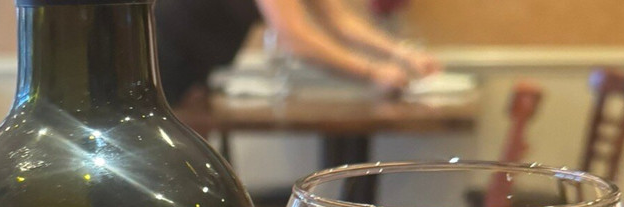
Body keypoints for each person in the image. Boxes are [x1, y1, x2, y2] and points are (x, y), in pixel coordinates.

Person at [155, 0, 438, 107]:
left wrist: (402, 53)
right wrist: (373, 72)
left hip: (196, 67)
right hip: (163, 61)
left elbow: (340, 21)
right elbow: (294, 37)